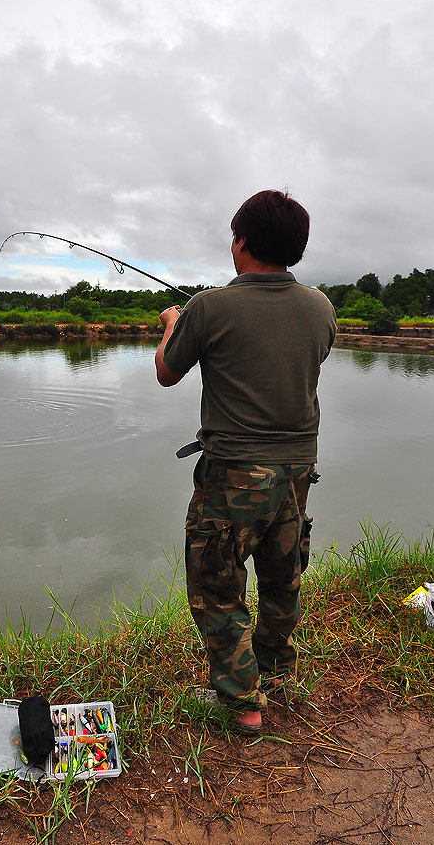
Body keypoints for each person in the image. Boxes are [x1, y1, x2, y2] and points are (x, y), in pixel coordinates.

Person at [155, 190, 337, 735]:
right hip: (297, 472)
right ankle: (277, 673)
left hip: (233, 474)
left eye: (233, 238)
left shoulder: (208, 308)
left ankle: (244, 702)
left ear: (243, 243)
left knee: (217, 584)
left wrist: (172, 321)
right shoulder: (321, 307)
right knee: (283, 575)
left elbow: (166, 371)